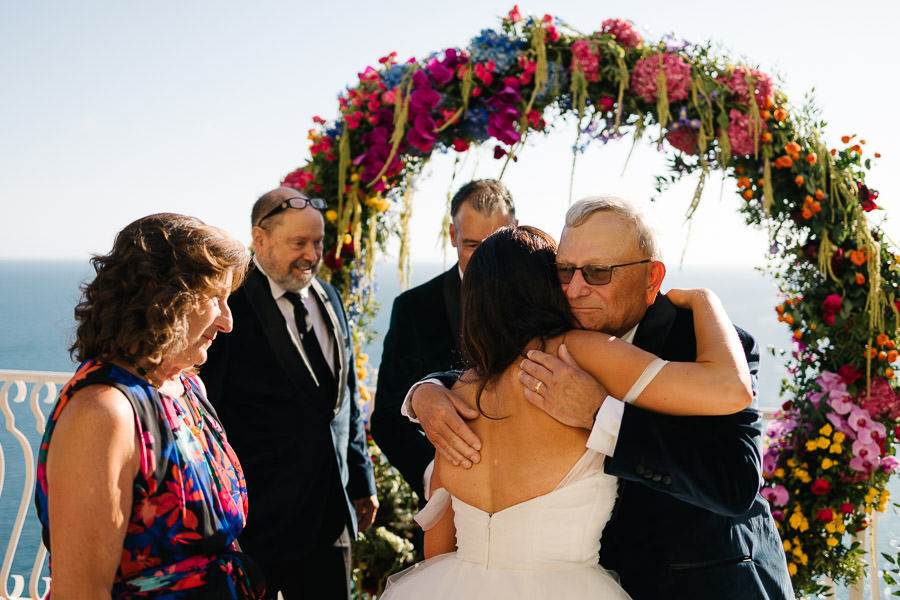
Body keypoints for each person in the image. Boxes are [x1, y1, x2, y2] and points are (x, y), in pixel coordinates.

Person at [407, 197, 795, 599]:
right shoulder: (560, 349)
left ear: (651, 278)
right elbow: (500, 370)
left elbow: (735, 484)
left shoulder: (707, 345)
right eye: (563, 270)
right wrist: (427, 390)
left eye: (597, 272)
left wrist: (601, 415)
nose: (575, 289)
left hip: (705, 585)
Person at [34, 213, 264, 598]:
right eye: (215, 299)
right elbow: (81, 591)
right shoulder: (105, 412)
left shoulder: (188, 388)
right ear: (165, 297)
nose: (227, 322)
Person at [201, 187, 378, 600]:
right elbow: (207, 412)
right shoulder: (232, 308)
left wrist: (361, 478)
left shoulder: (330, 296)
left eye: (317, 243)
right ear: (259, 239)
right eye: (298, 243)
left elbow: (346, 398)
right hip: (260, 523)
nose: (312, 255)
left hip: (331, 519)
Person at [371, 179, 516, 503]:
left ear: (516, 231)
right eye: (472, 246)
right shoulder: (413, 308)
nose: (486, 262)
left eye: (498, 245)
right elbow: (387, 417)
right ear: (452, 236)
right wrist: (434, 480)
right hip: (448, 500)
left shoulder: (545, 299)